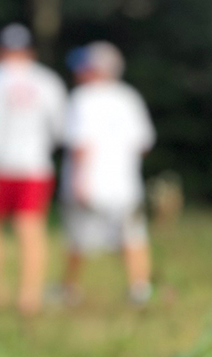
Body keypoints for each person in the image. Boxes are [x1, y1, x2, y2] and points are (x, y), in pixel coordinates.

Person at [0, 23, 66, 315]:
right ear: (31, 52)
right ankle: (29, 297)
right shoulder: (48, 80)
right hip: (35, 166)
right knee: (31, 229)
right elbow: (60, 129)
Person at [58, 41, 156, 305]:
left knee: (78, 239)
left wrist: (79, 180)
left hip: (88, 182)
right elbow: (143, 144)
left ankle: (69, 288)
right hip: (125, 184)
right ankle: (139, 289)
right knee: (133, 236)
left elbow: (80, 144)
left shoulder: (82, 98)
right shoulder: (129, 97)